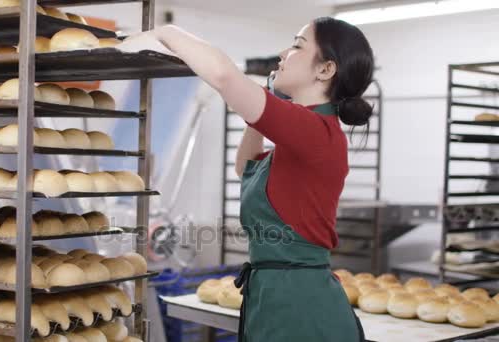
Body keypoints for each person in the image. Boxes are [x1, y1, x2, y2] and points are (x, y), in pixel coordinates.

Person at [144, 16, 373, 341]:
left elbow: (223, 75)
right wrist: (263, 107)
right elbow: (245, 166)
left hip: (302, 308)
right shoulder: (299, 139)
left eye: (296, 45)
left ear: (325, 70)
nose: (283, 53)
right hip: (274, 296)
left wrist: (164, 32)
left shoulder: (318, 132)